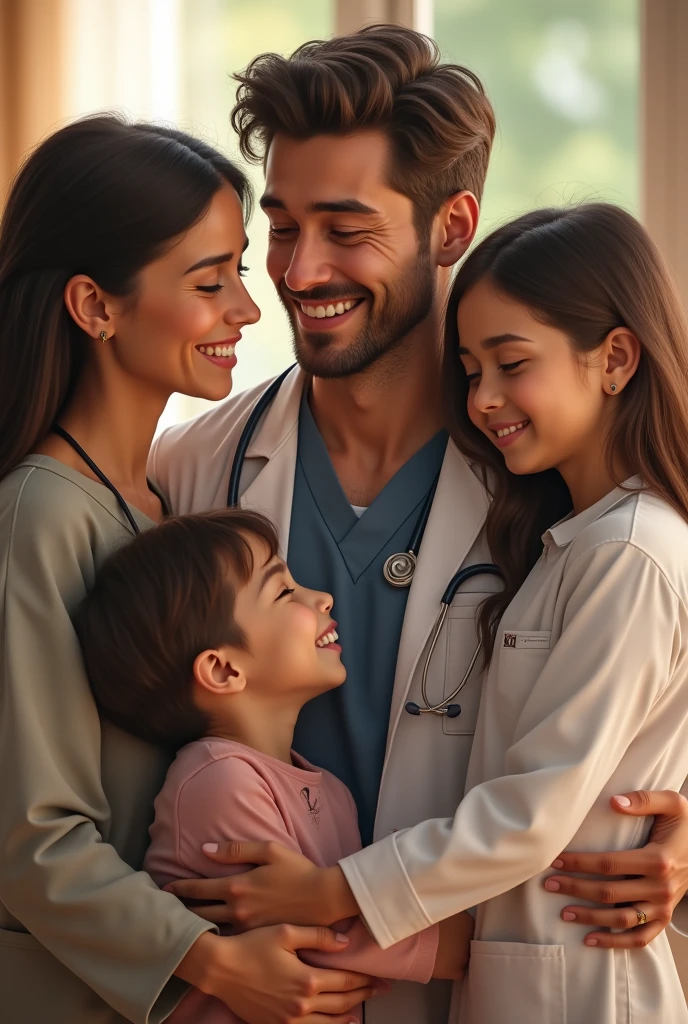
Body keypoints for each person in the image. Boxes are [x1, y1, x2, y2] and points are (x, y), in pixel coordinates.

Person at [150, 24, 688, 1024]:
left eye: (347, 229)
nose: (299, 271)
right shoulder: (195, 467)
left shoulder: (557, 483)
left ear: (451, 228)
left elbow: (644, 693)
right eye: (282, 225)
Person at [0, 114, 374, 1024]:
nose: (249, 309)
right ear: (95, 306)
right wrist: (214, 964)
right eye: (210, 283)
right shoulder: (40, 516)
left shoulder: (166, 499)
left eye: (239, 272)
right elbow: (31, 837)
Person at [74, 507, 475, 1023]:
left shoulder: (328, 789)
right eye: (284, 592)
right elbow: (319, 940)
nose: (323, 597)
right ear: (223, 669)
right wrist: (451, 942)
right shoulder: (216, 780)